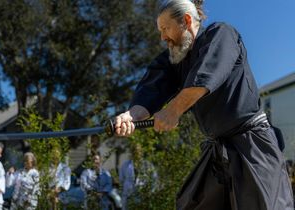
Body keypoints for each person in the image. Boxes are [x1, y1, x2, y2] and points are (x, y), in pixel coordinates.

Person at [113, 0, 294, 209]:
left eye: (165, 28)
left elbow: (206, 75)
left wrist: (173, 110)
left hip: (253, 146)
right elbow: (153, 88)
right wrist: (131, 116)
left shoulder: (221, 35)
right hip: (218, 151)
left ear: (186, 21)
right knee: (191, 204)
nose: (163, 37)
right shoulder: (175, 59)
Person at [119, 144, 158, 210]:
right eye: (134, 151)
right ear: (131, 153)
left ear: (141, 152)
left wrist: (150, 192)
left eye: (138, 151)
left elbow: (154, 179)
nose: (136, 153)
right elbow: (121, 180)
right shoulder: (125, 165)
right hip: (128, 197)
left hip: (143, 197)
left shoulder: (147, 165)